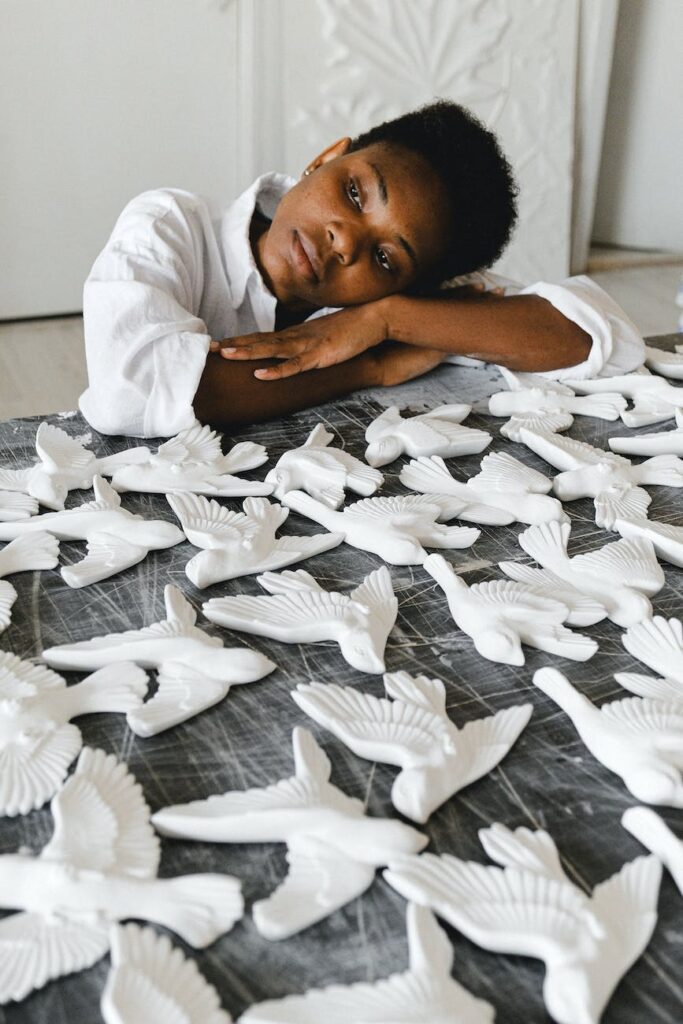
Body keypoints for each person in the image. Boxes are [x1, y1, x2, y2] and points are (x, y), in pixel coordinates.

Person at [79, 101, 643, 438]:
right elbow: (133, 390)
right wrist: (366, 367)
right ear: (327, 156)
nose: (344, 239)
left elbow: (596, 334)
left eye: (384, 258)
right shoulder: (171, 224)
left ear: (412, 284)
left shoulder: (397, 303)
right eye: (353, 191)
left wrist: (389, 319)